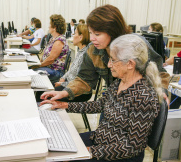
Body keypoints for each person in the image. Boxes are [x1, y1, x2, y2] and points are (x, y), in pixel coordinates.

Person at [40, 34, 161, 162]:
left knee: (59, 156)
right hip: (100, 141)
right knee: (55, 145)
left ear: (130, 64)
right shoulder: (119, 82)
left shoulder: (144, 97)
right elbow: (100, 105)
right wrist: (65, 105)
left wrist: (89, 152)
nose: (109, 65)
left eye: (113, 60)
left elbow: (132, 147)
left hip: (118, 156)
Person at [40, 4, 170, 106]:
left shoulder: (136, 46)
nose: (91, 38)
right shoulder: (93, 50)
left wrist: (162, 93)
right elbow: (84, 79)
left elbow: (160, 73)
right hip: (113, 101)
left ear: (112, 31)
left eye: (97, 34)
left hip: (138, 104)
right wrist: (65, 92)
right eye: (90, 33)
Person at [54, 24, 91, 102]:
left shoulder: (84, 55)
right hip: (70, 85)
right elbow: (71, 70)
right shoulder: (81, 51)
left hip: (78, 92)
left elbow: (77, 82)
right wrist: (63, 78)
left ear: (81, 37)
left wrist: (62, 84)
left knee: (44, 94)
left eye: (75, 33)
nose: (73, 36)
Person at [31, 14, 69, 84]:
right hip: (49, 68)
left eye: (50, 24)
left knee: (31, 73)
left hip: (55, 71)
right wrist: (39, 62)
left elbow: (51, 59)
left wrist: (39, 65)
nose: (48, 26)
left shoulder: (59, 41)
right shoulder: (52, 38)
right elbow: (45, 55)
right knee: (31, 69)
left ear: (54, 27)